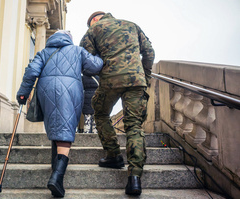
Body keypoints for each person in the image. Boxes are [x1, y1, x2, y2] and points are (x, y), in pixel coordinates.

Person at [16, 30, 103, 197]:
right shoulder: (78, 51)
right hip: (70, 89)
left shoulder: (43, 52)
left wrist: (23, 93)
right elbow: (95, 66)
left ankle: (54, 165)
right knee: (64, 129)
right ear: (69, 39)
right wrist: (99, 52)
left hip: (46, 89)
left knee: (56, 124)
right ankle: (57, 178)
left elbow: (31, 72)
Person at [80, 11, 155, 196]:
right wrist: (145, 76)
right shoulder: (132, 24)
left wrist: (101, 72)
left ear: (95, 20)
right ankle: (135, 177)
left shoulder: (93, 30)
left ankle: (113, 155)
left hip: (110, 80)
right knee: (134, 125)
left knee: (100, 112)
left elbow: (85, 60)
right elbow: (149, 52)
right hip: (136, 80)